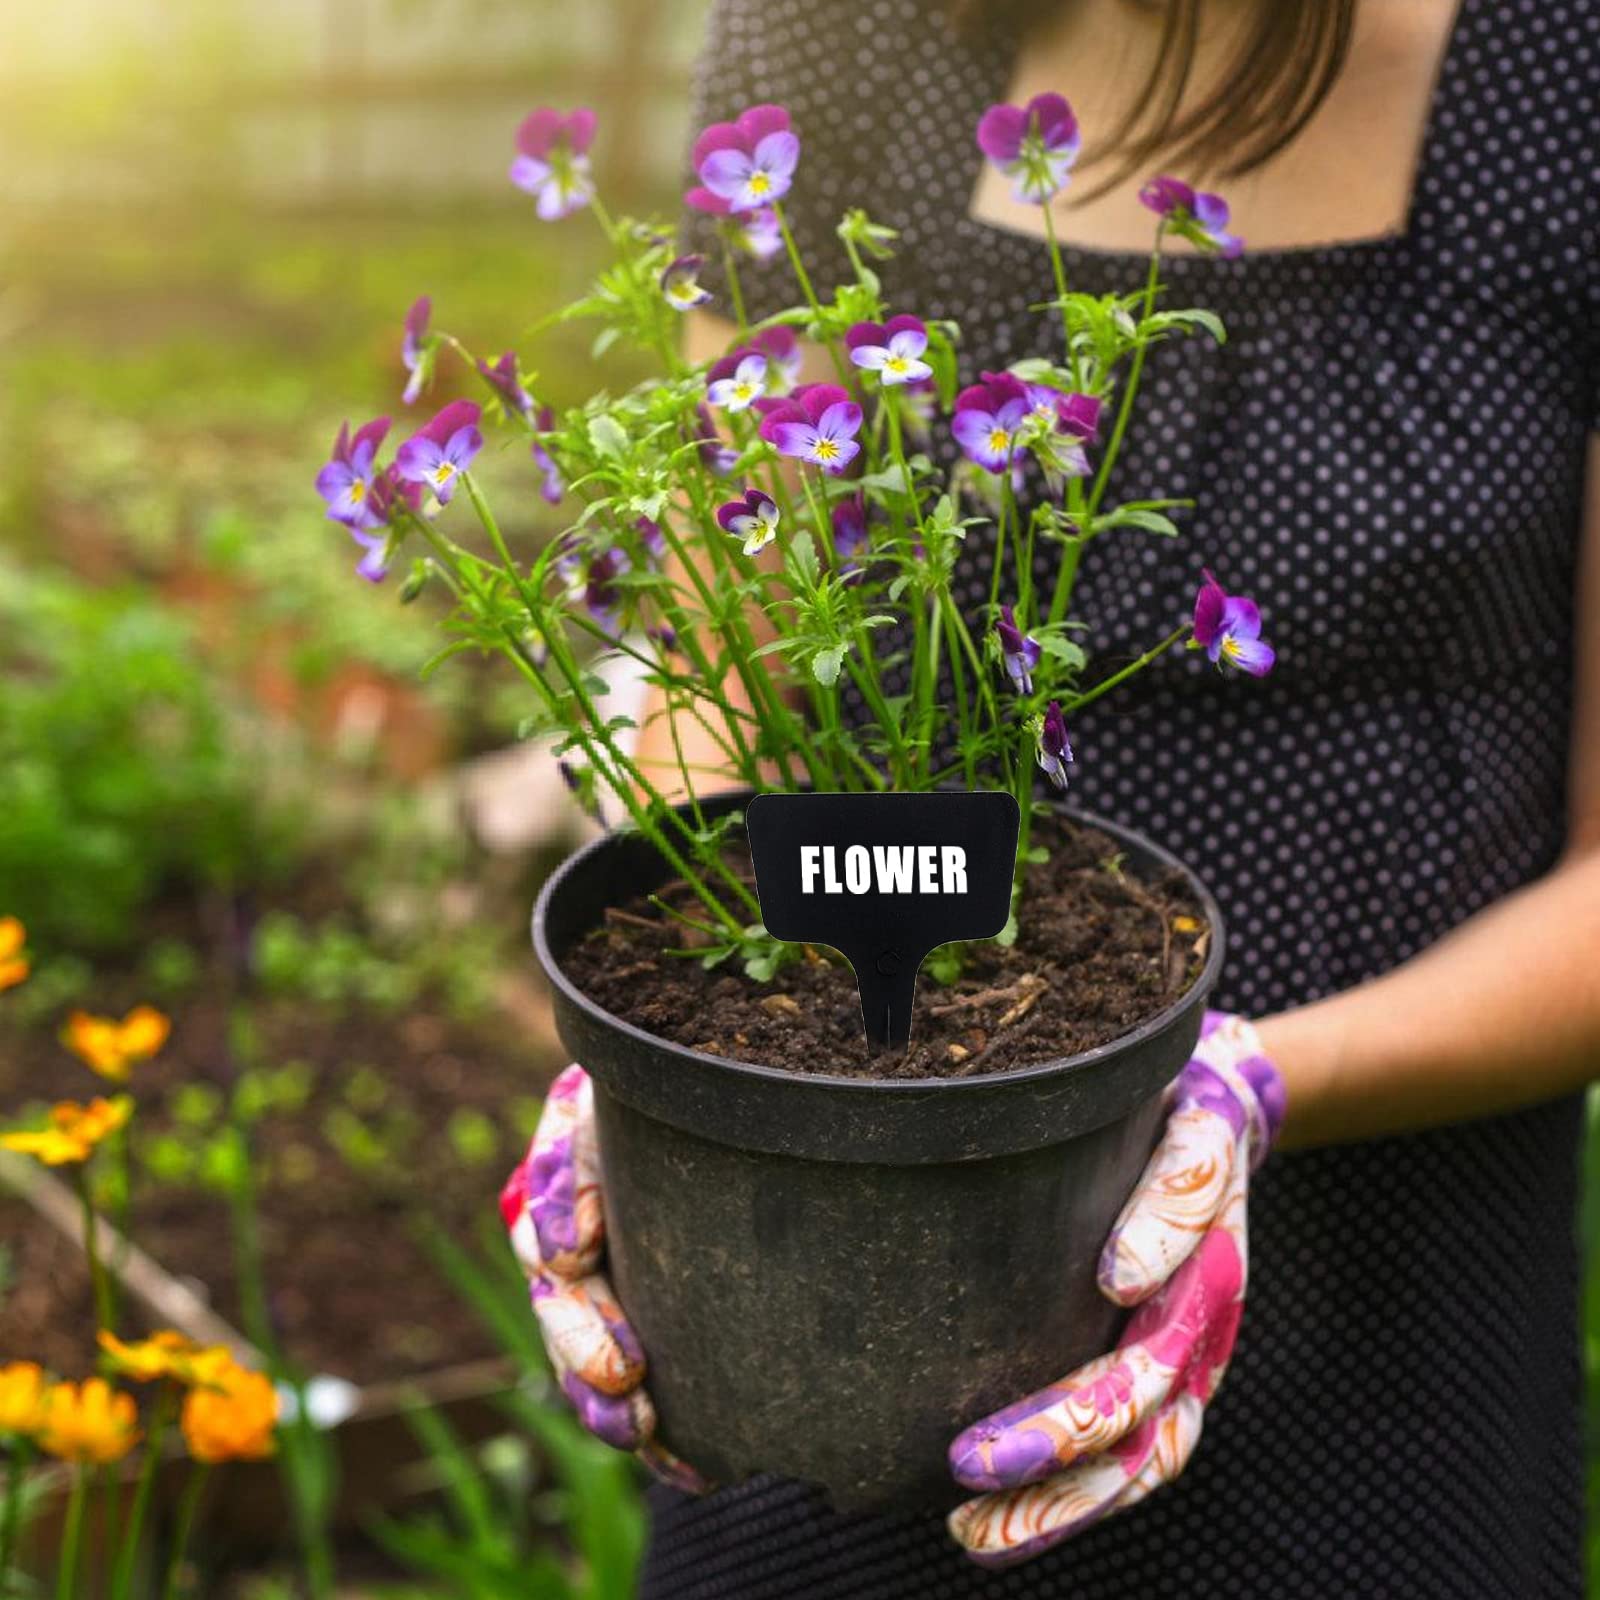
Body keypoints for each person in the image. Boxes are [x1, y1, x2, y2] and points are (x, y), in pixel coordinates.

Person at [505, 0, 1600, 1592]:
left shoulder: (1562, 70)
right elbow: (722, 681)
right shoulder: (843, 29)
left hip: (1386, 1301)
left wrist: (1235, 1087)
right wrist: (650, 1059)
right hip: (847, 1242)